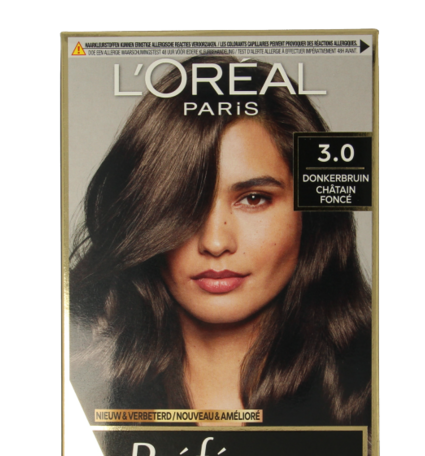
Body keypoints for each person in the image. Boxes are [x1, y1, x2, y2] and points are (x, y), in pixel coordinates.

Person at [70, 56, 371, 427]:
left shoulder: (369, 388)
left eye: (254, 198)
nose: (215, 242)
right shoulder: (75, 390)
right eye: (184, 202)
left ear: (310, 213)